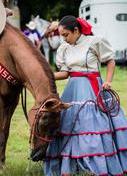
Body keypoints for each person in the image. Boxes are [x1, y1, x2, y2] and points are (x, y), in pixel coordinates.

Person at [44, 15, 127, 175]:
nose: (64, 39)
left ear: (76, 30)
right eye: (62, 35)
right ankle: (70, 166)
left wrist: (108, 80)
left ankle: (94, 165)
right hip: (73, 89)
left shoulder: (94, 42)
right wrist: (45, 74)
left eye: (66, 34)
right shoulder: (64, 48)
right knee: (69, 125)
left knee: (91, 126)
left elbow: (110, 61)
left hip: (92, 88)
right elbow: (65, 73)